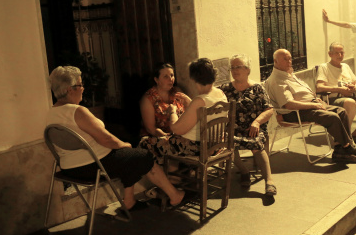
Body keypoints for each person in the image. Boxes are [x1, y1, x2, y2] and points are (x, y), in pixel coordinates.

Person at [46, 66, 185, 211]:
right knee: (144, 155)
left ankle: (129, 200)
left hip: (69, 168)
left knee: (129, 157)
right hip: (93, 166)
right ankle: (174, 195)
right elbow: (106, 139)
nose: (83, 88)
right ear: (70, 89)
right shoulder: (77, 111)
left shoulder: (51, 113)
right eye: (80, 85)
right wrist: (124, 145)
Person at [264, 49, 356, 163]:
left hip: (310, 105)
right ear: (275, 61)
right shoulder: (277, 80)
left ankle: (340, 151)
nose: (289, 61)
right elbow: (289, 104)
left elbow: (301, 92)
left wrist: (314, 99)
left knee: (341, 111)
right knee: (332, 117)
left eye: (290, 58)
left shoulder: (288, 73)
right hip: (294, 113)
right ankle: (348, 147)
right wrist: (312, 105)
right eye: (285, 59)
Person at [218, 54, 276, 196]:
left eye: (238, 67)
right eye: (232, 67)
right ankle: (244, 171)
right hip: (233, 129)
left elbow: (269, 109)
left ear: (247, 70)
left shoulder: (258, 88)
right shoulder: (224, 89)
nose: (235, 70)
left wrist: (257, 122)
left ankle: (269, 181)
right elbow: (211, 100)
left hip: (253, 128)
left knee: (256, 144)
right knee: (226, 142)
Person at [154, 58, 228, 158]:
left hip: (197, 147)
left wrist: (173, 112)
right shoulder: (221, 93)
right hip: (215, 146)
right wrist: (190, 102)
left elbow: (176, 129)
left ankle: (164, 173)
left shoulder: (199, 101)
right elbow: (203, 111)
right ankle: (175, 171)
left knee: (146, 143)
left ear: (193, 78)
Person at [138, 63, 191, 165]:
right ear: (156, 80)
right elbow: (151, 129)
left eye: (172, 75)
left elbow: (189, 114)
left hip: (178, 135)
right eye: (166, 76)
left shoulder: (178, 92)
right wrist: (166, 137)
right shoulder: (148, 99)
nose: (170, 79)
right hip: (158, 136)